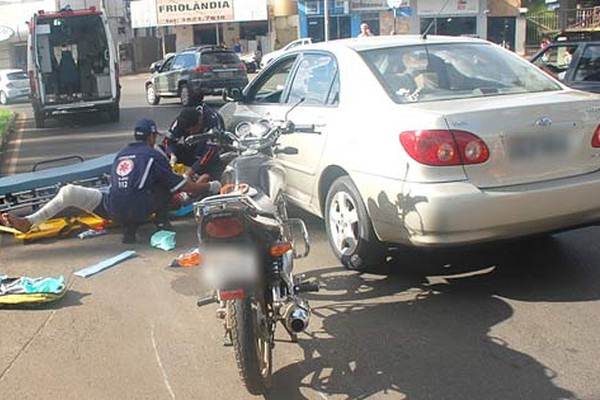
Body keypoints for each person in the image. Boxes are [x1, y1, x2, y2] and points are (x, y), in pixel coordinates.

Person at [0, 118, 221, 243]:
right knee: (167, 186)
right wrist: (209, 185)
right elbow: (183, 187)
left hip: (113, 208)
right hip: (140, 210)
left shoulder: (121, 155)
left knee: (69, 192)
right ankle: (161, 223)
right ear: (152, 137)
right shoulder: (154, 156)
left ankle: (30, 221)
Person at [162, 104, 223, 180]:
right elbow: (167, 141)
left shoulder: (213, 120)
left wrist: (191, 172)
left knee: (214, 164)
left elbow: (211, 151)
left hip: (209, 156)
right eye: (187, 131)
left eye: (193, 130)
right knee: (160, 150)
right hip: (191, 150)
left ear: (200, 121)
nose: (190, 133)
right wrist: (172, 155)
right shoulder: (181, 120)